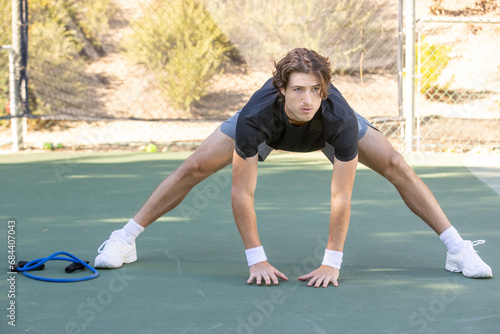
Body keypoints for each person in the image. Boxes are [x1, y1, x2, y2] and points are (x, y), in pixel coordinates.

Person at [94, 48, 492, 287]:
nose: (307, 98)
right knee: (195, 166)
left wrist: (331, 263)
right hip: (272, 128)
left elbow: (341, 195)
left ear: (325, 90)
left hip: (325, 132)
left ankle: (457, 249)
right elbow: (241, 191)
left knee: (394, 163)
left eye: (315, 90)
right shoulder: (255, 117)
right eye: (297, 89)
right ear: (281, 88)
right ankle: (124, 238)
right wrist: (257, 259)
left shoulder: (339, 118)